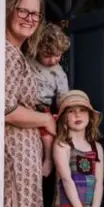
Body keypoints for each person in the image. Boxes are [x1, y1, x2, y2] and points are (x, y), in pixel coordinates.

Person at [3, 0, 57, 207]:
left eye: (35, 14)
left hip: (25, 156)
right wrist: (46, 120)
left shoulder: (18, 54)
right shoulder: (7, 53)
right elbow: (6, 108)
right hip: (15, 153)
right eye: (22, 10)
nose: (28, 18)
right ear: (10, 9)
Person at [29, 23, 71, 177]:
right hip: (24, 104)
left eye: (58, 55)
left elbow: (63, 98)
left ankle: (48, 159)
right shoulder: (28, 62)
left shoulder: (59, 73)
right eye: (47, 56)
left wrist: (61, 114)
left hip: (42, 106)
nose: (53, 60)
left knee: (48, 134)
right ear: (37, 50)